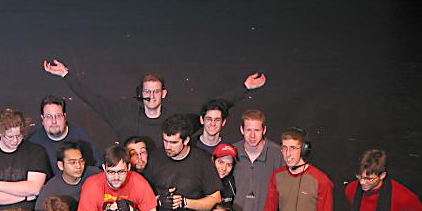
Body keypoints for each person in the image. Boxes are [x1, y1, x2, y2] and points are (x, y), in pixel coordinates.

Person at [43, 58, 266, 150]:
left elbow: (212, 111)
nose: (151, 96)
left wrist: (244, 87)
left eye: (156, 91)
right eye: (147, 92)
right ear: (141, 94)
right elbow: (93, 99)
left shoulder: (176, 121)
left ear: (164, 94)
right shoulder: (124, 115)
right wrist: (66, 75)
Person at [232, 110, 285, 211]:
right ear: (241, 130)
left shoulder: (278, 154)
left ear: (264, 130)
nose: (252, 135)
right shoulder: (232, 152)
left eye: (257, 130)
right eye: (248, 130)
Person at [29, 95, 102, 172]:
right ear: (42, 119)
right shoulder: (33, 143)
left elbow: (98, 167)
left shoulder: (81, 137)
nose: (54, 121)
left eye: (58, 116)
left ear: (65, 117)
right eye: (48, 116)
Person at [34, 142, 101, 211]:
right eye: (72, 162)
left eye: (81, 161)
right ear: (61, 165)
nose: (78, 166)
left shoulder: (95, 175)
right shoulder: (51, 189)